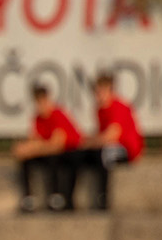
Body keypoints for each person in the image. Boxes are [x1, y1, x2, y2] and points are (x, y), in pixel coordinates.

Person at [67, 72, 144, 210]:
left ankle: (103, 198)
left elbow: (111, 136)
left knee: (103, 155)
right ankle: (68, 199)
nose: (97, 95)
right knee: (77, 155)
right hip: (107, 146)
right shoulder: (99, 109)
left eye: (100, 91)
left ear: (109, 90)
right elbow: (101, 136)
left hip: (126, 149)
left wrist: (89, 142)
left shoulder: (118, 106)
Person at [12, 84, 81, 213]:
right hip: (51, 151)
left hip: (69, 153)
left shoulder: (57, 115)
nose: (40, 106)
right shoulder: (38, 118)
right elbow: (36, 139)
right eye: (38, 102)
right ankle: (28, 198)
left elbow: (56, 145)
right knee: (26, 160)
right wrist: (24, 149)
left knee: (52, 158)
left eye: (43, 101)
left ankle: (56, 196)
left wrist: (32, 149)